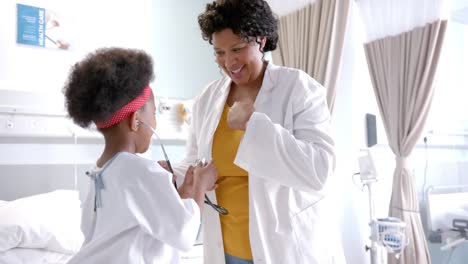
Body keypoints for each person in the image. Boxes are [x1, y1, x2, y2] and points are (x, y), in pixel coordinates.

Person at [165, 0, 346, 263]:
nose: (229, 62)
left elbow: (320, 170)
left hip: (285, 248)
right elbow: (196, 162)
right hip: (225, 250)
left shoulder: (298, 88)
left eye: (237, 49)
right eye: (219, 52)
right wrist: (172, 175)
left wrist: (254, 124)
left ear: (260, 41)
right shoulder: (207, 98)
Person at [63, 47, 218, 264]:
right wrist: (201, 184)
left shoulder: (100, 171)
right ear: (136, 119)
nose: (154, 123)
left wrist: (182, 192)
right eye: (153, 114)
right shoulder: (141, 171)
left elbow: (136, 223)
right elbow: (183, 233)